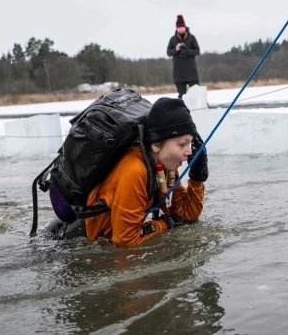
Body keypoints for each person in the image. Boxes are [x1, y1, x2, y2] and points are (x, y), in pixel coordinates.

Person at [44, 97, 208, 246]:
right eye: (182, 145)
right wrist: (164, 224)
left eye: (190, 143)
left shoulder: (164, 166)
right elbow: (126, 240)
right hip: (68, 241)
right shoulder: (135, 170)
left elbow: (185, 216)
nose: (189, 151)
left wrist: (197, 177)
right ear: (156, 145)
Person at [167, 14, 201, 99]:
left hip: (191, 72)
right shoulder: (173, 39)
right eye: (179, 28)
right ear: (176, 28)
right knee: (182, 96)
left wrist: (187, 51)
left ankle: (202, 109)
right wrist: (176, 49)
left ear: (185, 27)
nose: (181, 29)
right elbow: (168, 53)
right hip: (179, 73)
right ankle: (182, 111)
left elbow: (197, 51)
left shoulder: (192, 38)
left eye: (182, 27)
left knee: (197, 94)